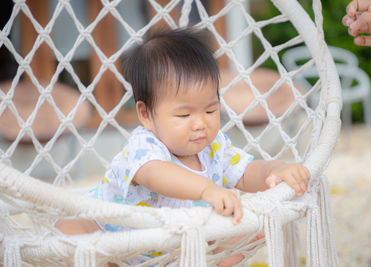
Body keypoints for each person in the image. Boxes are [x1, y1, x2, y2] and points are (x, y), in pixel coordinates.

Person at [57, 27, 310, 266]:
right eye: (184, 116)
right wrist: (206, 190)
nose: (200, 123)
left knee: (250, 226)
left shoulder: (214, 147)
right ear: (146, 114)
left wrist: (274, 171)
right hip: (113, 236)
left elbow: (244, 171)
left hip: (174, 249)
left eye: (211, 109)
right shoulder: (145, 144)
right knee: (69, 231)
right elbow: (154, 174)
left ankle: (216, 259)